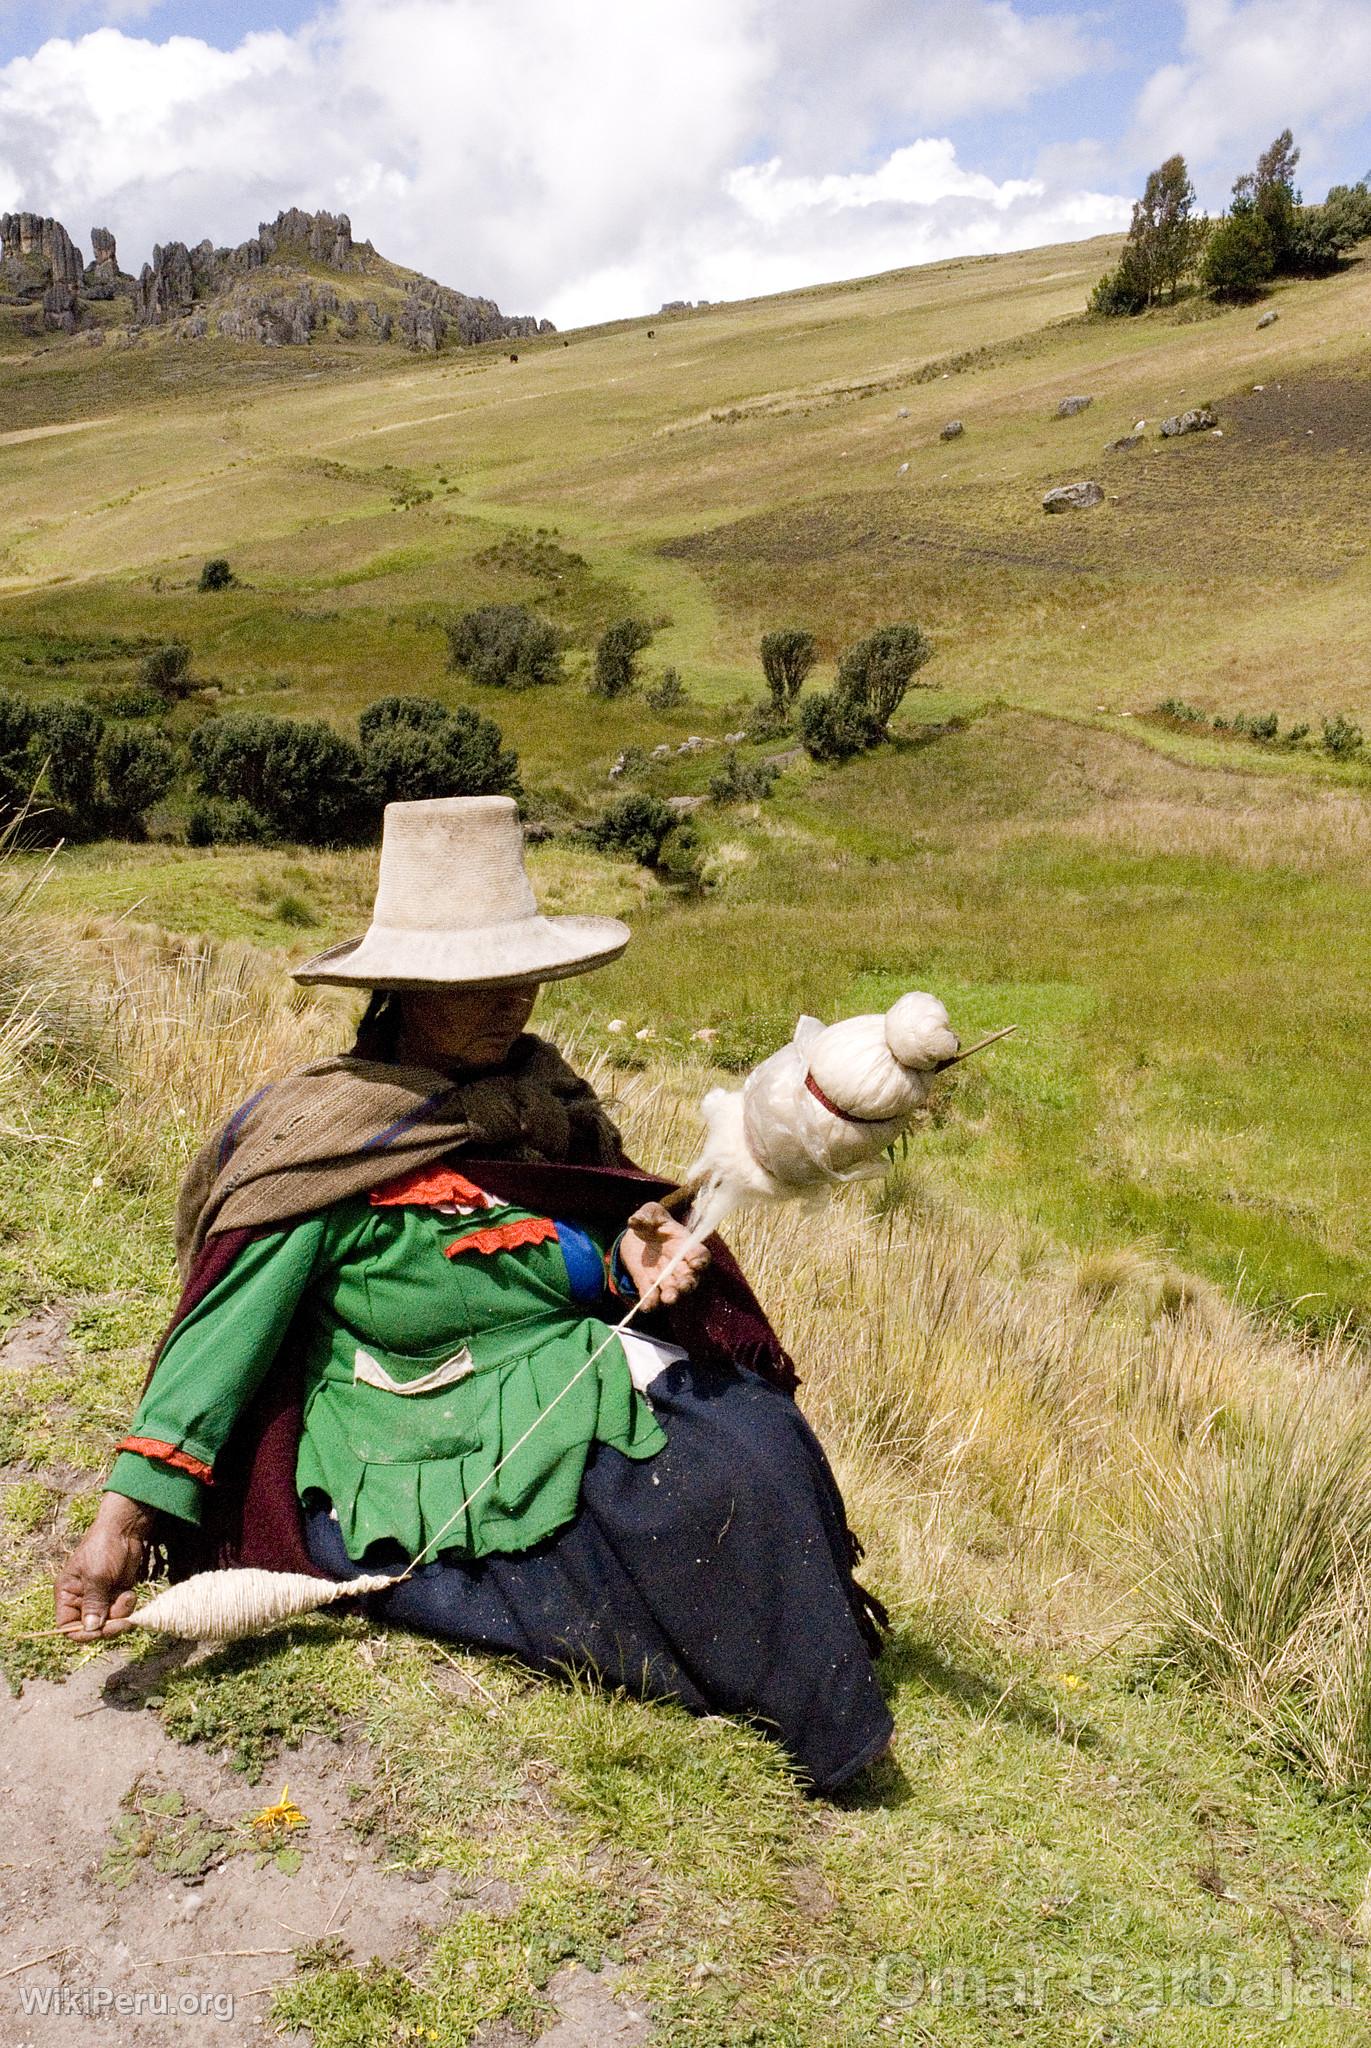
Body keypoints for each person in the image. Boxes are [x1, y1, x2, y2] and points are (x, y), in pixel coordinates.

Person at [54, 797, 894, 1794]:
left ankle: (812, 1672)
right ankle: (815, 1722)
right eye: (476, 981)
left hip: (556, 1373)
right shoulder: (327, 1133)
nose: (511, 1001)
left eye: (520, 971)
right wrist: (128, 1518)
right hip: (415, 1420)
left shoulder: (544, 1100)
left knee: (758, 1431)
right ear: (405, 987)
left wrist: (634, 1250)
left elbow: (583, 1227)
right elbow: (223, 1330)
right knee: (697, 1492)